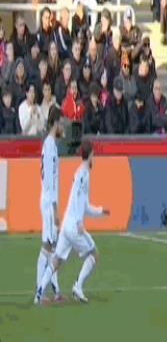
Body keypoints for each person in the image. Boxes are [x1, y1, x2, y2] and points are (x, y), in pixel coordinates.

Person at [35, 141, 110, 304]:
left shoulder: (81, 173)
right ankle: (78, 286)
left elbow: (85, 205)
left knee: (56, 260)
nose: (94, 157)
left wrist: (100, 211)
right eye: (94, 154)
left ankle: (40, 292)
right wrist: (79, 222)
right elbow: (76, 197)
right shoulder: (83, 173)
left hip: (66, 227)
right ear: (90, 154)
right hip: (74, 226)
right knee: (94, 254)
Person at [36, 106, 64, 303]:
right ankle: (40, 292)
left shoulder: (51, 144)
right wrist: (54, 209)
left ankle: (56, 291)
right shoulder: (50, 146)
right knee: (48, 247)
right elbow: (49, 182)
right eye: (61, 123)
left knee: (53, 248)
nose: (63, 127)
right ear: (55, 123)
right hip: (48, 202)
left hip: (49, 201)